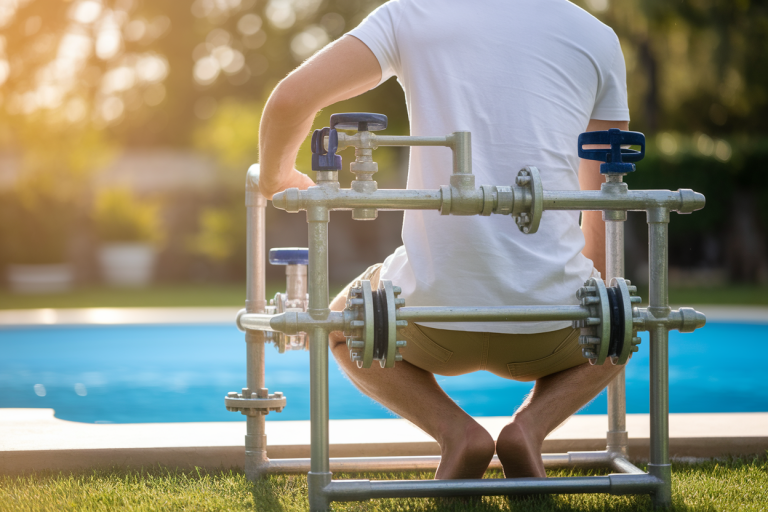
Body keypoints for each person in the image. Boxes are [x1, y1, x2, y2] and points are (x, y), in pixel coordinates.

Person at [258, 0, 630, 480]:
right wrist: (593, 307)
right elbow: (604, 192)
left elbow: (290, 100)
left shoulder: (411, 14)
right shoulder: (598, 37)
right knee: (627, 318)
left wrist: (274, 177)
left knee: (337, 325)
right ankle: (531, 429)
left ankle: (456, 433)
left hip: (426, 321)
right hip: (551, 330)